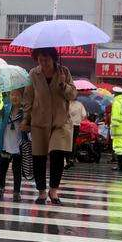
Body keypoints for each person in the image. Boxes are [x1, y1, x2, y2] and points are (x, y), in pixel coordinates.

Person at [21, 47, 76, 205]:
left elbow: (73, 95)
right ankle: (42, 192)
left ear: (53, 58)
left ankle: (54, 191)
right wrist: (26, 120)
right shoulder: (33, 74)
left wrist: (64, 85)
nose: (43, 63)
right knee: (39, 157)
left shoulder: (64, 72)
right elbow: (28, 97)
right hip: (39, 122)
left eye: (46, 59)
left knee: (57, 155)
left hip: (60, 122)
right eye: (40, 59)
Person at [0, 88, 24, 202]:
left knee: (17, 169)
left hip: (18, 144)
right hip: (5, 144)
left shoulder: (24, 111)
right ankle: (1, 187)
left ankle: (16, 191)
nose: (14, 97)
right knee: (3, 167)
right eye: (12, 94)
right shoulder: (5, 109)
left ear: (22, 97)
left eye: (17, 95)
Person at [65, 95, 87, 169]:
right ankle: (72, 158)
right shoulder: (80, 104)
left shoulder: (67, 103)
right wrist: (79, 119)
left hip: (68, 125)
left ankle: (67, 159)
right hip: (76, 125)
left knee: (67, 142)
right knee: (73, 142)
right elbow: (84, 115)